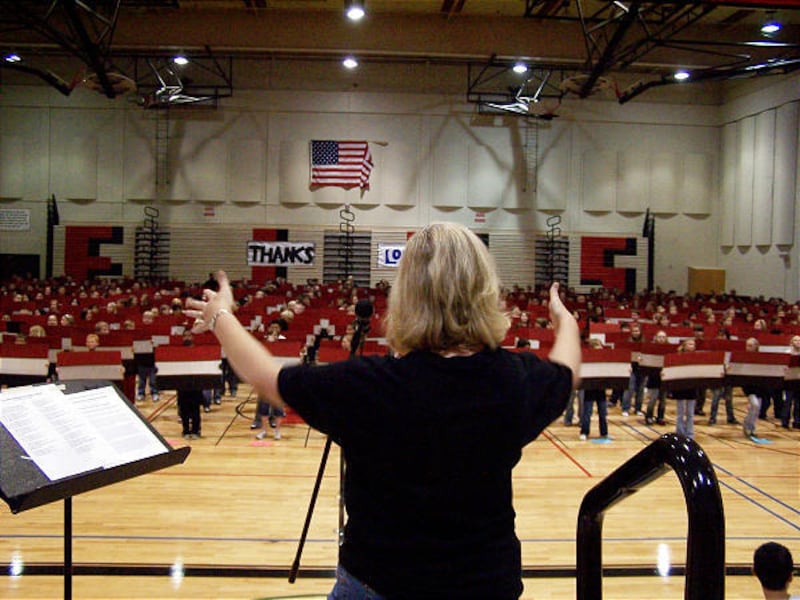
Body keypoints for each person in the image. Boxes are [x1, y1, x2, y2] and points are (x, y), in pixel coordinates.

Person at [186, 222, 580, 600]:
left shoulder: (369, 385)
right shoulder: (516, 380)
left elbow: (267, 377)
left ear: (405, 296)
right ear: (484, 292)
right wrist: (567, 322)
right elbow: (567, 372)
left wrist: (221, 316)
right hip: (487, 583)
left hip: (378, 583)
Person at [671, 338, 699, 439]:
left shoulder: (697, 357)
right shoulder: (678, 357)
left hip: (692, 386)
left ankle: (690, 434)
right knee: (680, 412)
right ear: (684, 345)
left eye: (693, 344)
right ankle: (680, 433)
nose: (692, 346)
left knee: (690, 413)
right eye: (690, 344)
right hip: (681, 387)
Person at [743, 337, 767, 439]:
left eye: (751, 345)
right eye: (747, 345)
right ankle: (747, 425)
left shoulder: (762, 357)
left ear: (756, 346)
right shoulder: (743, 357)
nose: (749, 348)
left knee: (756, 410)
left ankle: (751, 429)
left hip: (759, 387)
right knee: (755, 405)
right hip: (749, 387)